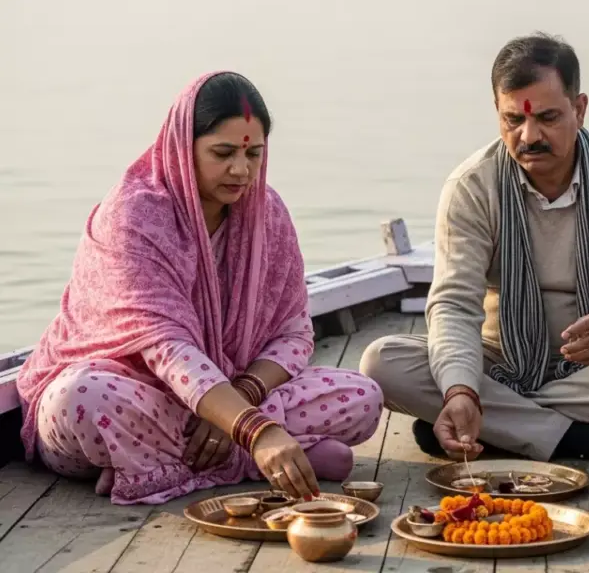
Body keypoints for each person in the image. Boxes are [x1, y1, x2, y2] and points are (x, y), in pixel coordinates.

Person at [16, 72, 383, 505]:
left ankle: (182, 464)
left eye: (254, 154)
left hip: (229, 394)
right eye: (222, 153)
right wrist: (256, 430)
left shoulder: (268, 214)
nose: (241, 170)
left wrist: (240, 402)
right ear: (181, 148)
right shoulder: (133, 215)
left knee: (363, 396)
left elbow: (295, 333)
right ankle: (254, 460)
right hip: (132, 394)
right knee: (78, 397)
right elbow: (167, 349)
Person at [361, 33, 589, 466]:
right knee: (381, 363)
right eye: (512, 121)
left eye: (548, 117)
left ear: (580, 109)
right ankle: (571, 438)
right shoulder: (472, 186)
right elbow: (454, 307)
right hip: (494, 363)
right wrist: (461, 388)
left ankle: (502, 426)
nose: (529, 135)